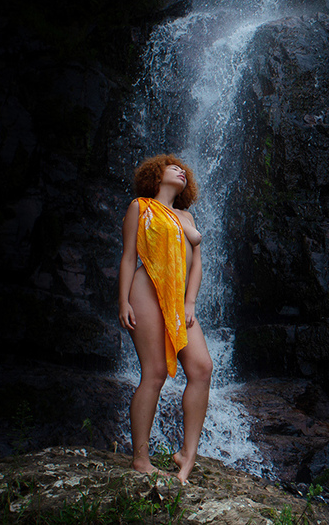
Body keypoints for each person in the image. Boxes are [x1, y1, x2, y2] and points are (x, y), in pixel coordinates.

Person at [117, 154, 212, 483]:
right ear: (156, 175)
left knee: (202, 368)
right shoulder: (140, 207)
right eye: (174, 168)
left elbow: (197, 264)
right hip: (146, 290)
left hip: (180, 300)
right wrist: (123, 301)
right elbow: (128, 256)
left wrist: (190, 303)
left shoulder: (187, 215)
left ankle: (187, 454)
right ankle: (141, 460)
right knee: (154, 373)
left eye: (184, 170)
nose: (181, 171)